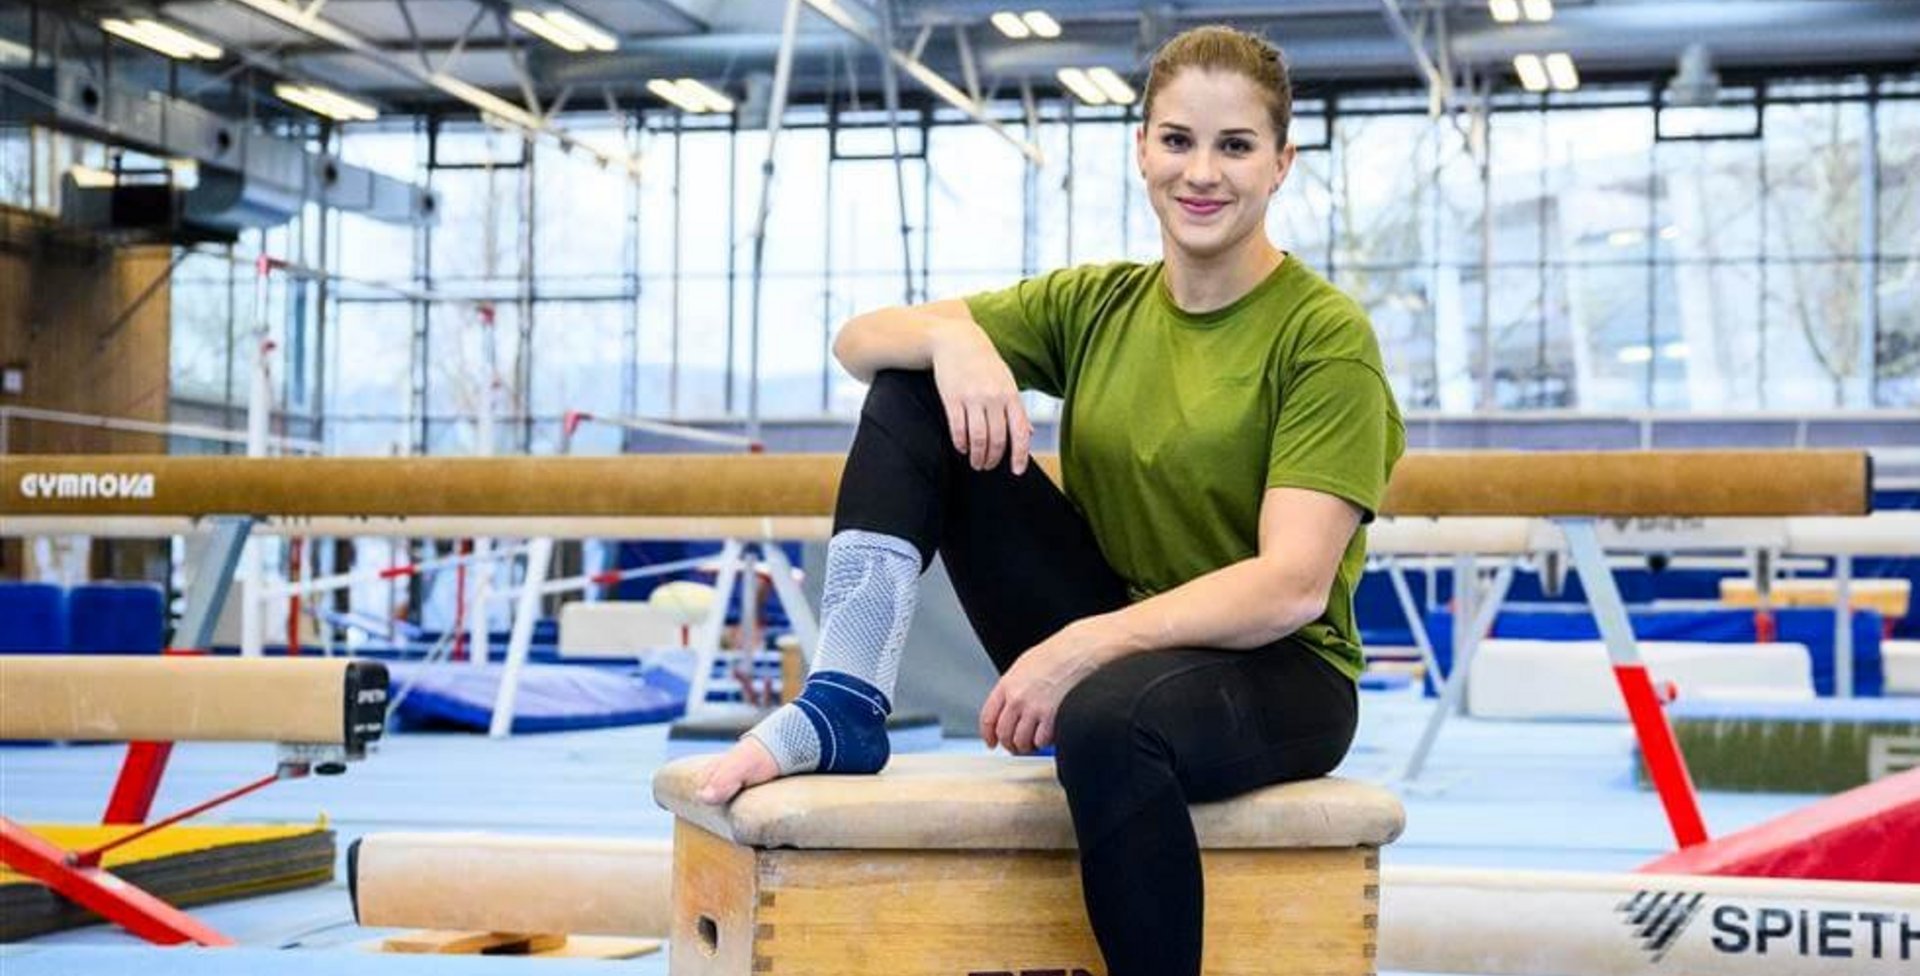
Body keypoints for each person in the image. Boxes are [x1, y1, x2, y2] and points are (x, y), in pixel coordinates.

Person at [697, 24, 1405, 976]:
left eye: (1235, 146)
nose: (1202, 172)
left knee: (1109, 717)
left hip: (1278, 672)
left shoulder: (1323, 336)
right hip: (1119, 629)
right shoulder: (1099, 305)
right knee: (912, 383)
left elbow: (1290, 584)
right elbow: (860, 339)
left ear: (1281, 163)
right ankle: (844, 700)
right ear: (1141, 148)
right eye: (1178, 140)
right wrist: (951, 341)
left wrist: (1080, 648)